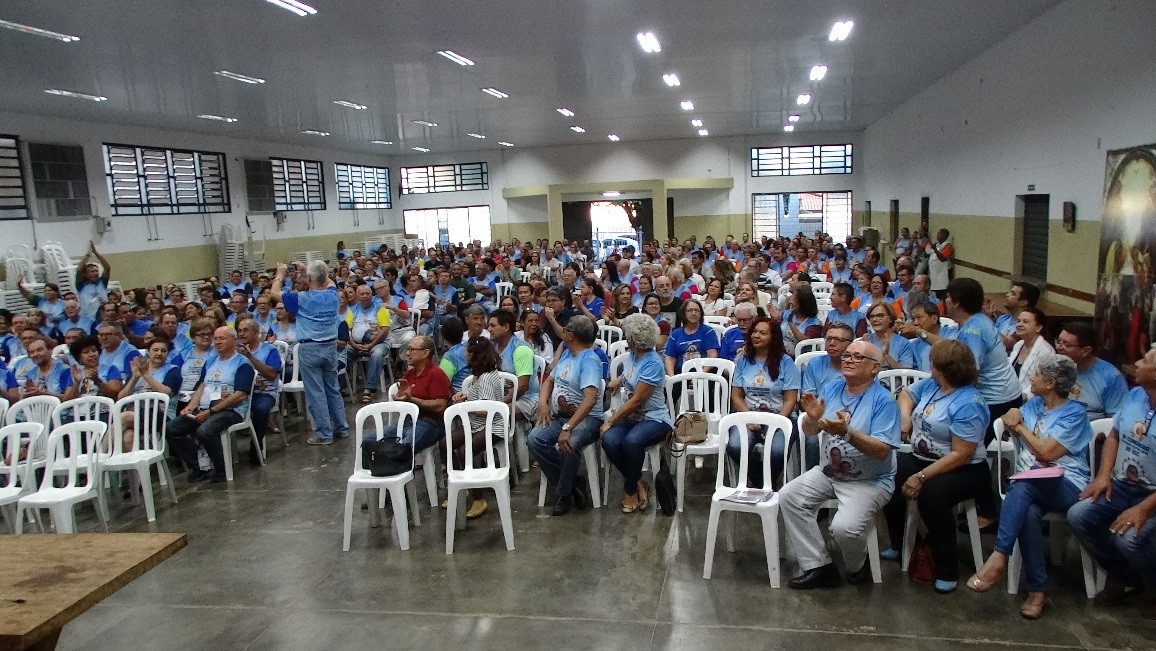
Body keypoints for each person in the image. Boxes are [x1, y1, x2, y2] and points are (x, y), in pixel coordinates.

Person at [967, 354, 1092, 620]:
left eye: (1035, 374)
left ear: (1050, 382)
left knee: (1022, 489)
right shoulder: (1035, 403)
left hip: (1068, 484)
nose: (1030, 378)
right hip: (1031, 484)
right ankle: (1038, 590)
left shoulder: (1074, 414)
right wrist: (1014, 412)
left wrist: (1022, 428)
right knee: (1028, 511)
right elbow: (1010, 415)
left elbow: (1046, 453)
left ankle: (999, 555)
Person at [780, 341, 900, 589]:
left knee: (843, 528)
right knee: (789, 497)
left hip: (869, 480)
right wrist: (812, 419)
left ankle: (858, 566)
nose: (849, 360)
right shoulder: (833, 388)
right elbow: (810, 431)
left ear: (875, 367)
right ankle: (819, 565)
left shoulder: (884, 400)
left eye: (858, 357)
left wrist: (847, 433)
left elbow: (881, 451)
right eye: (847, 355)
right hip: (829, 472)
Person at [881, 340, 990, 593]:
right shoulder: (934, 385)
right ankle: (903, 546)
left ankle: (946, 568)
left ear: (945, 369)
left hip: (964, 469)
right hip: (925, 457)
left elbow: (962, 453)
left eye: (933, 364)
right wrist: (906, 419)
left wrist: (921, 476)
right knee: (888, 475)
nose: (930, 368)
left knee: (933, 496)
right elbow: (907, 394)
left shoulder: (968, 403)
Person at [1068, 347, 1156, 619]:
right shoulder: (1135, 395)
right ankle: (1126, 576)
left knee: (1128, 540)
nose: (1137, 364)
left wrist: (1142, 509)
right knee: (1079, 516)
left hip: (1151, 496)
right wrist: (1104, 475)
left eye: (1145, 361)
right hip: (1122, 485)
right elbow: (1114, 435)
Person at [527, 316, 604, 516]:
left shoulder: (590, 360)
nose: (562, 331)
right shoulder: (567, 354)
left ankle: (563, 493)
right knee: (535, 439)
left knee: (569, 444)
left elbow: (590, 400)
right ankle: (573, 483)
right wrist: (543, 404)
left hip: (586, 420)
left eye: (566, 329)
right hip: (560, 417)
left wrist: (568, 428)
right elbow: (548, 382)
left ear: (573, 335)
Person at [601, 313, 671, 514]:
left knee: (631, 442)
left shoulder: (653, 362)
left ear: (633, 340)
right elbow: (632, 374)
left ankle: (629, 489)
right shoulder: (634, 353)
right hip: (633, 416)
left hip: (655, 417)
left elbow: (638, 400)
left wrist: (611, 420)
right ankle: (639, 482)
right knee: (610, 439)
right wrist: (620, 379)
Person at [272, 260, 348, 445]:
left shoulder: (301, 298)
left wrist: (280, 273)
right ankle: (341, 427)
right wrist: (311, 272)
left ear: (310, 278)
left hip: (309, 348)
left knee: (316, 393)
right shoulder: (333, 295)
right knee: (332, 389)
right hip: (330, 347)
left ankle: (325, 434)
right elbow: (328, 280)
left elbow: (274, 293)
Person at [166, 327, 255, 482]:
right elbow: (202, 385)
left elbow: (240, 394)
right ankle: (199, 466)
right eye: (215, 338)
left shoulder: (242, 363)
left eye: (222, 338)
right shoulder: (212, 360)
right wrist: (191, 406)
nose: (217, 342)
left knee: (204, 431)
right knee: (172, 429)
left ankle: (221, 470)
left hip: (231, 410)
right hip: (205, 407)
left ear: (234, 341)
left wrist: (211, 411)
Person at [727, 316, 799, 488]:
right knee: (736, 447)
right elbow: (736, 396)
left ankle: (768, 479)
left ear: (773, 338)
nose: (756, 336)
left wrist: (776, 424)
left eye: (762, 333)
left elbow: (790, 400)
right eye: (754, 332)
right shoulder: (744, 360)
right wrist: (747, 417)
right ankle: (760, 479)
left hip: (780, 416)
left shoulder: (786, 363)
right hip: (749, 415)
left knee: (776, 452)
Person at [445, 336, 506, 520]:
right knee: (445, 443)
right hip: (475, 424)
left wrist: (465, 405)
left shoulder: (486, 378)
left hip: (493, 426)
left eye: (466, 351)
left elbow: (487, 410)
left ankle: (478, 498)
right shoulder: (477, 375)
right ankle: (461, 486)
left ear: (472, 355)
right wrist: (463, 398)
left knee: (465, 452)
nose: (463, 354)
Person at [378, 335, 451, 453]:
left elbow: (440, 405)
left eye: (411, 349)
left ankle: (393, 470)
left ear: (425, 353)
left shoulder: (437, 374)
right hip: (408, 421)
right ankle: (379, 469)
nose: (407, 353)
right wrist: (401, 399)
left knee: (404, 447)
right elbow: (405, 400)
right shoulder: (409, 374)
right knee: (369, 441)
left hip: (431, 423)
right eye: (408, 349)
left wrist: (412, 399)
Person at [116, 337, 181, 453]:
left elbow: (166, 393)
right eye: (155, 350)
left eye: (163, 351)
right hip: (136, 412)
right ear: (148, 352)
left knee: (124, 417)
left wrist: (146, 375)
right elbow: (121, 397)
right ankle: (141, 471)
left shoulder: (172, 370)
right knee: (128, 437)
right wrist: (135, 377)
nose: (159, 353)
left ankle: (101, 456)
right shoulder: (138, 370)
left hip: (159, 414)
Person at [1054, 321, 1128, 421]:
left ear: (1085, 351)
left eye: (1066, 345)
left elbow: (1115, 422)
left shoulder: (1111, 377)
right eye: (1059, 341)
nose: (1059, 348)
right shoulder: (1055, 365)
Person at [235, 315, 283, 465]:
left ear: (256, 333)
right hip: (240, 393)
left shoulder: (269, 350)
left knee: (260, 409)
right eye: (239, 331)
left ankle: (256, 445)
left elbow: (271, 374)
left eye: (245, 330)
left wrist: (250, 357)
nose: (241, 334)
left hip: (263, 392)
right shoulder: (234, 351)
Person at [489, 309, 539, 431]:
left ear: (506, 327)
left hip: (526, 400)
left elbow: (522, 387)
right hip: (501, 396)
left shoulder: (521, 349)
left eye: (493, 325)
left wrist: (498, 404)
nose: (489, 329)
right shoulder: (493, 347)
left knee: (493, 416)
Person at [346, 284, 390, 403]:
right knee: (341, 353)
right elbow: (347, 330)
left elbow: (385, 329)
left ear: (372, 295)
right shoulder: (351, 310)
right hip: (356, 345)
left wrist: (370, 345)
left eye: (367, 293)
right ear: (357, 296)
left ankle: (368, 389)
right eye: (362, 294)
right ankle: (340, 386)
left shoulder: (379, 308)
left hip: (378, 343)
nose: (365, 296)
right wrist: (354, 345)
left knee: (377, 354)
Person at [664, 300, 719, 375]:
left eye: (696, 310)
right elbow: (670, 358)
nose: (693, 313)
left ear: (701, 313)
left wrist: (700, 374)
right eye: (690, 310)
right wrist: (672, 377)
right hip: (681, 374)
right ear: (683, 313)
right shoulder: (675, 334)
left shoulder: (708, 331)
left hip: (704, 375)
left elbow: (713, 356)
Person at [1008, 307, 1053, 399]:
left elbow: (1042, 383)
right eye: (1018, 321)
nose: (1019, 325)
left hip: (1030, 399)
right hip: (1010, 395)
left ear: (1039, 327)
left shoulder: (1045, 352)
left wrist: (1020, 398)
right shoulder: (1019, 345)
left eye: (1025, 322)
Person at [863, 303, 915, 370]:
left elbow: (907, 375)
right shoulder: (865, 341)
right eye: (871, 316)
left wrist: (887, 356)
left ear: (890, 318)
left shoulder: (903, 343)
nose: (875, 319)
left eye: (880, 316)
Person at [994, 281, 1041, 351]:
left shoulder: (1025, 327)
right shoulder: (1003, 318)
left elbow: (1006, 344)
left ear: (1023, 302)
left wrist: (985, 320)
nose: (1007, 295)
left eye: (1012, 294)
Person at [780, 284, 824, 356]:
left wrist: (791, 323)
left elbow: (804, 342)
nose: (791, 302)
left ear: (802, 305)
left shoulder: (815, 324)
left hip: (802, 356)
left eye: (794, 299)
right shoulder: (787, 313)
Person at [75, 240, 112, 320]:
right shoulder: (81, 285)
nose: (95, 273)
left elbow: (107, 268)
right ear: (85, 274)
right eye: (92, 271)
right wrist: (88, 254)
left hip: (103, 317)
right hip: (88, 318)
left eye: (96, 271)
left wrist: (96, 253)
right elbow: (79, 270)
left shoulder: (102, 282)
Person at [925, 229, 954, 299]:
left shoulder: (948, 246)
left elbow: (942, 259)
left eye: (939, 234)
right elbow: (928, 253)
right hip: (934, 273)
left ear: (945, 236)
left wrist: (935, 249)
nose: (937, 236)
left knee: (942, 293)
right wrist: (929, 245)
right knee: (934, 293)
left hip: (942, 274)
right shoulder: (937, 244)